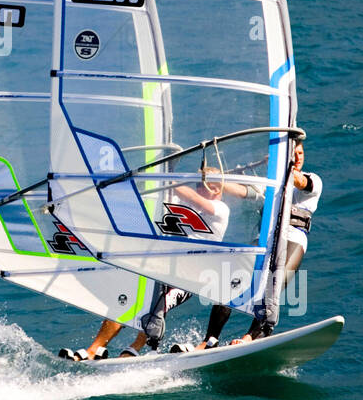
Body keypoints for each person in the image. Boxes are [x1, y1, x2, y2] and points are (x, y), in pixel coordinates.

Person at [60, 167, 257, 360]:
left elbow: (197, 201)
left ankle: (138, 349)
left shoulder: (221, 209)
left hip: (190, 276)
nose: (211, 190)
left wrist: (167, 180)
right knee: (126, 300)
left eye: (215, 186)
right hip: (162, 267)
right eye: (204, 185)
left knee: (156, 306)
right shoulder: (179, 203)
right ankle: (94, 349)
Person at [177, 140, 320, 351]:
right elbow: (241, 191)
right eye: (293, 154)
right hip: (265, 239)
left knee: (273, 287)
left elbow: (299, 181)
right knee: (228, 283)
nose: (298, 157)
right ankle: (209, 341)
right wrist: (217, 180)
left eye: (300, 153)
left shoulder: (313, 180)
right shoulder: (271, 182)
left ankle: (251, 337)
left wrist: (281, 166)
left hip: (293, 240)